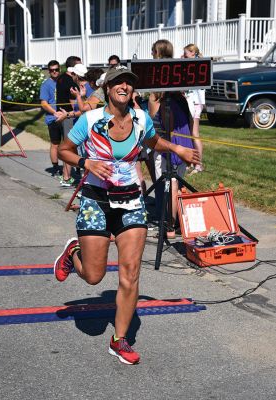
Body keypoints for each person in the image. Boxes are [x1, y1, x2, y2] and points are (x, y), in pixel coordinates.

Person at [54, 66, 200, 365]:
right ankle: (75, 252)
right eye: (118, 82)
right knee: (94, 277)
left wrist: (178, 149)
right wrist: (87, 163)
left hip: (131, 200)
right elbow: (66, 150)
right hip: (96, 201)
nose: (124, 86)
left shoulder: (140, 118)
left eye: (129, 84)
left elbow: (152, 142)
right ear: (107, 88)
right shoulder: (90, 120)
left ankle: (119, 339)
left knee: (130, 274)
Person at [149, 39, 194, 237]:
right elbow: (191, 119)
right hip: (184, 139)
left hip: (166, 142)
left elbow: (153, 118)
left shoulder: (156, 93)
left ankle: (170, 224)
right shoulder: (180, 91)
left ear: (156, 53)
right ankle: (175, 222)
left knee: (169, 182)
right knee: (178, 180)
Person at [56, 56, 82, 187]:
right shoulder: (71, 82)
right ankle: (66, 177)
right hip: (68, 117)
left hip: (61, 115)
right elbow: (74, 104)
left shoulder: (61, 78)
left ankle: (66, 174)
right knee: (69, 147)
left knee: (67, 145)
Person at [183, 43, 205, 174]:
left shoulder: (197, 66)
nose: (184, 57)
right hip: (190, 101)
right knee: (189, 133)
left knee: (195, 134)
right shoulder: (189, 65)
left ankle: (199, 164)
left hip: (196, 103)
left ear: (192, 53)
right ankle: (190, 162)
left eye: (186, 54)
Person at [40, 60, 64, 176]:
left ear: (60, 69)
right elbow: (44, 103)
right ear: (49, 71)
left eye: (56, 69)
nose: (54, 72)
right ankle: (55, 167)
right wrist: (55, 113)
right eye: (51, 70)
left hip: (66, 116)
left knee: (70, 143)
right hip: (53, 118)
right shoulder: (46, 85)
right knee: (55, 143)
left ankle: (71, 167)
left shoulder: (64, 81)